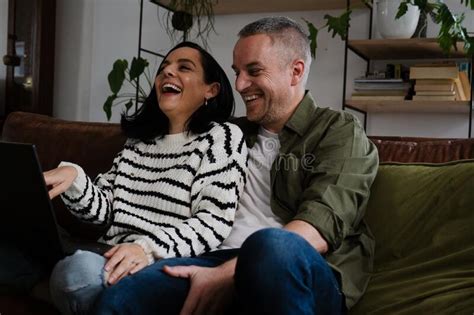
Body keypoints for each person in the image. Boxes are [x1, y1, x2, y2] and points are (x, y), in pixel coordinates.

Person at [93, 16, 379, 315]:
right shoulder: (228, 134)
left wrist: (226, 274)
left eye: (253, 71)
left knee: (271, 247)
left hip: (300, 269)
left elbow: (318, 230)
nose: (241, 85)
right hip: (213, 258)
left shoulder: (337, 130)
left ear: (295, 72)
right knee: (121, 298)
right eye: (237, 72)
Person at [43, 41, 248, 314]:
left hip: (156, 265)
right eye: (163, 68)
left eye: (183, 67)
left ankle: (49, 285)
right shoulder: (138, 144)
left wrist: (146, 249)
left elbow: (214, 221)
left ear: (211, 90)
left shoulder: (221, 137)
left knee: (76, 274)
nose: (167, 73)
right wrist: (75, 177)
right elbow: (103, 213)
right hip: (109, 254)